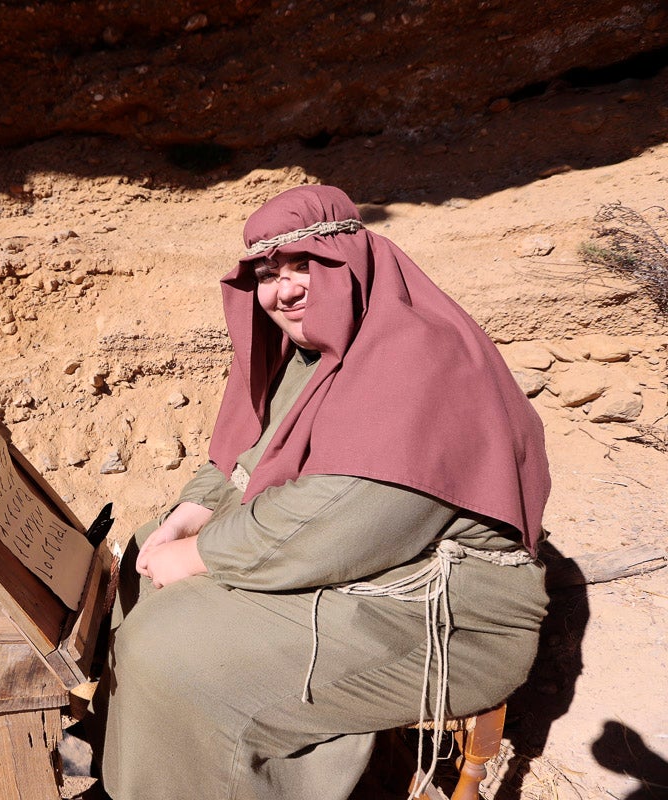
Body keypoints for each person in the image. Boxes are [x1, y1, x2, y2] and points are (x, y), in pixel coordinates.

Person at [97, 185, 550, 800]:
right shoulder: (315, 357)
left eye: (303, 266)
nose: (284, 290)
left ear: (351, 261)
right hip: (367, 564)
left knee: (166, 647)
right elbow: (248, 455)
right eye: (267, 275)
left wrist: (199, 554)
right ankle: (151, 765)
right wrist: (185, 518)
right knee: (144, 550)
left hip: (441, 617)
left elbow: (339, 519)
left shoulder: (417, 359)